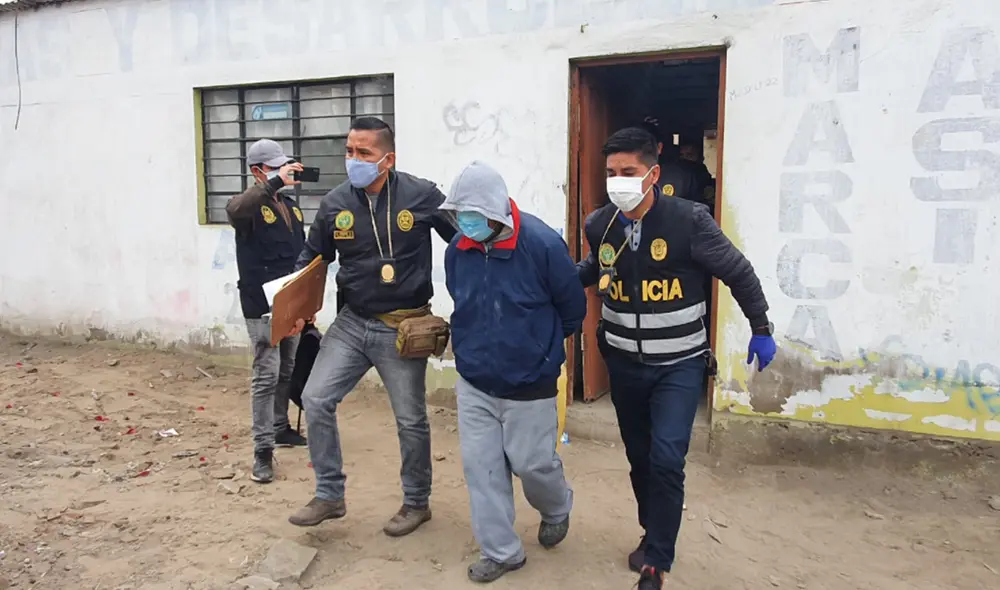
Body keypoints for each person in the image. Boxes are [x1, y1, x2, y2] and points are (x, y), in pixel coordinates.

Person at [576, 127, 776, 590]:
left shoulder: (689, 221)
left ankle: (657, 562)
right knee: (641, 457)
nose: (618, 181)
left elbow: (739, 272)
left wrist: (761, 328)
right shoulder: (600, 223)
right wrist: (556, 283)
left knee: (667, 458)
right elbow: (598, 267)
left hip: (679, 366)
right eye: (611, 173)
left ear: (654, 174)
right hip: (623, 363)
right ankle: (653, 530)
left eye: (628, 172)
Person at [286, 117, 457, 537]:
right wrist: (299, 305)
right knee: (315, 398)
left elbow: (464, 240)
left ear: (387, 158)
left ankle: (417, 503)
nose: (353, 160)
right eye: (349, 151)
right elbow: (312, 260)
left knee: (410, 420)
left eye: (363, 153)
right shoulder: (334, 204)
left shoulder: (422, 195)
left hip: (403, 327)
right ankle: (329, 495)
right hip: (352, 323)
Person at [440, 162, 586, 583]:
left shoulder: (542, 245)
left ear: (496, 213)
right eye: (459, 215)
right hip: (475, 381)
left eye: (472, 215)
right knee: (481, 468)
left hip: (530, 384)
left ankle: (556, 505)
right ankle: (502, 552)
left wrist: (540, 353)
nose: (464, 223)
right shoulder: (458, 249)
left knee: (532, 464)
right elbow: (461, 299)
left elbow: (572, 308)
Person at [225, 139, 309, 484]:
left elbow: (300, 257)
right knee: (266, 374)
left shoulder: (291, 207)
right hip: (263, 308)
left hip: (292, 304)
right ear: (258, 171)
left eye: (284, 166)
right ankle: (262, 450)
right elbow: (237, 208)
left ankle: (280, 427)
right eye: (275, 167)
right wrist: (274, 183)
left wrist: (307, 303)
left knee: (287, 369)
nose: (283, 172)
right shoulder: (246, 209)